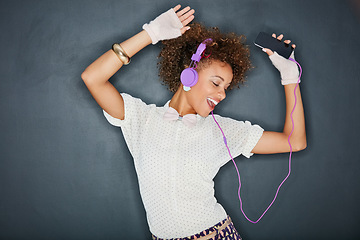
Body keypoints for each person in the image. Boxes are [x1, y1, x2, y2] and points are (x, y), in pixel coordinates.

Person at [81, 4, 306, 240]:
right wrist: (151, 34)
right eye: (216, 83)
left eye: (226, 88)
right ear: (190, 72)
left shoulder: (222, 130)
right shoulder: (140, 118)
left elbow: (295, 141)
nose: (222, 95)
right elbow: (93, 78)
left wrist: (290, 77)